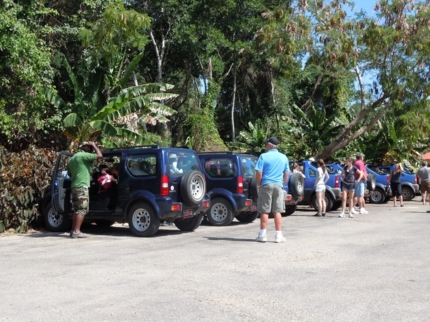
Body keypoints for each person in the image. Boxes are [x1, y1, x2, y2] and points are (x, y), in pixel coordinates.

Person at [255, 137, 290, 243]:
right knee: (277, 211)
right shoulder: (284, 157)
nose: (265, 146)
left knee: (264, 210)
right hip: (278, 185)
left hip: (266, 184)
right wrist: (282, 184)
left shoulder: (263, 156)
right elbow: (287, 173)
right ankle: (278, 236)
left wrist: (259, 184)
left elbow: (259, 172)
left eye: (266, 144)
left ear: (270, 145)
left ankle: (262, 235)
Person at [68, 141, 103, 238]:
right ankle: (77, 231)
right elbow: (100, 155)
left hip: (74, 186)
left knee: (76, 209)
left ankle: (73, 230)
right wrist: (94, 145)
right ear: (88, 148)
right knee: (82, 209)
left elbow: (69, 172)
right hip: (82, 186)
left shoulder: (73, 158)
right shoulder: (84, 156)